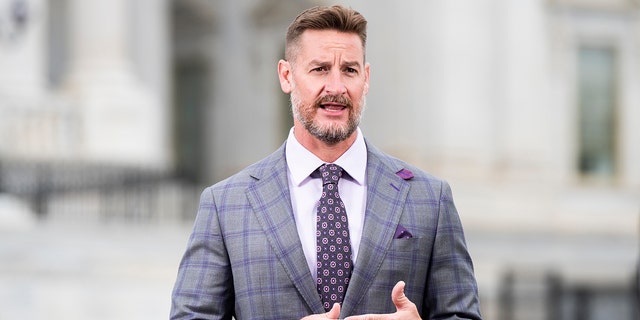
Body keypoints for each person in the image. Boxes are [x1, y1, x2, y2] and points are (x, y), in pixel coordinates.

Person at [171, 5, 482, 320]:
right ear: (287, 75)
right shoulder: (225, 204)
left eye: (349, 70)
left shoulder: (430, 198)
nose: (336, 88)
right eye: (320, 69)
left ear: (366, 77)